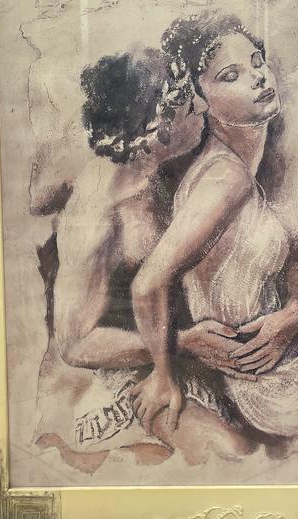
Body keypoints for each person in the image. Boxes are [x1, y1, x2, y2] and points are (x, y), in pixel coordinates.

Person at [130, 10, 298, 443]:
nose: (259, 78)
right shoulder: (224, 179)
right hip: (266, 390)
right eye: (231, 76)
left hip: (288, 361)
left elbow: (278, 257)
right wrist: (163, 375)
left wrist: (295, 310)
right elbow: (147, 283)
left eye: (257, 62)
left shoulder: (239, 171)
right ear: (199, 100)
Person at [34, 46, 256, 473]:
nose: (203, 109)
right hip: (122, 371)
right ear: (159, 128)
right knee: (229, 454)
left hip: (183, 350)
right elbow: (76, 344)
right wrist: (182, 344)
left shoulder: (165, 167)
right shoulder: (97, 213)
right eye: (190, 106)